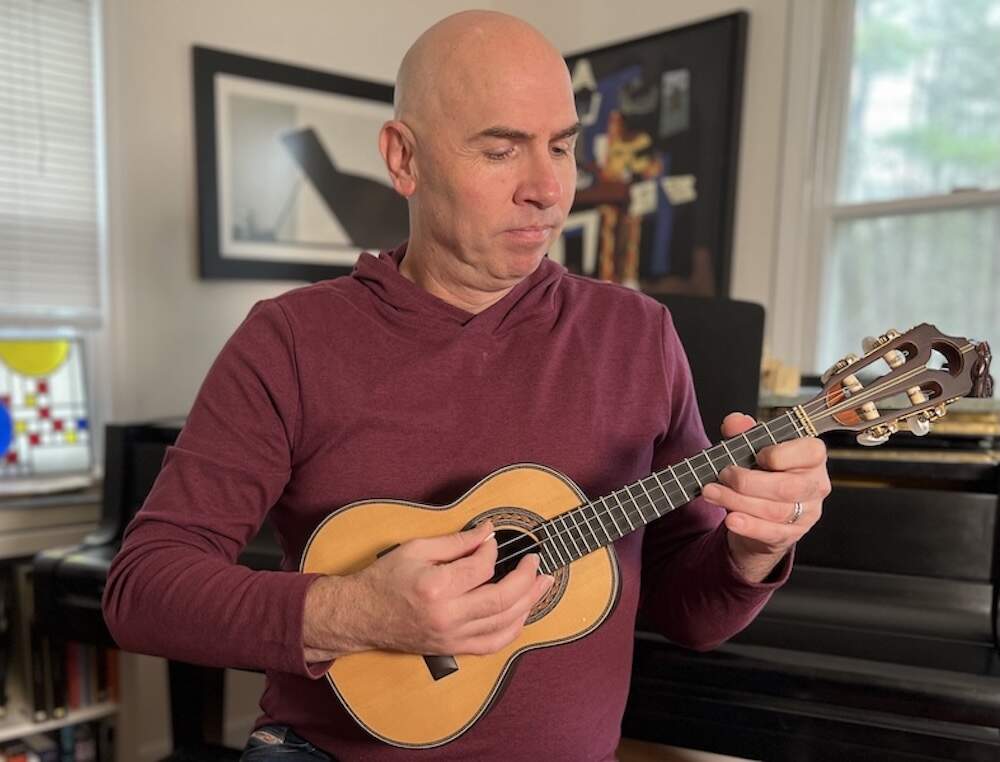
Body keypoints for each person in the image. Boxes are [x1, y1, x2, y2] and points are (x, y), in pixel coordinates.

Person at [102, 11, 830, 762]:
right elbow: (143, 592)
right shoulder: (288, 340)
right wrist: (355, 613)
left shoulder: (639, 335)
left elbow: (691, 615)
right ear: (403, 159)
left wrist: (751, 551)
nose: (548, 190)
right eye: (501, 148)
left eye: (561, 146)